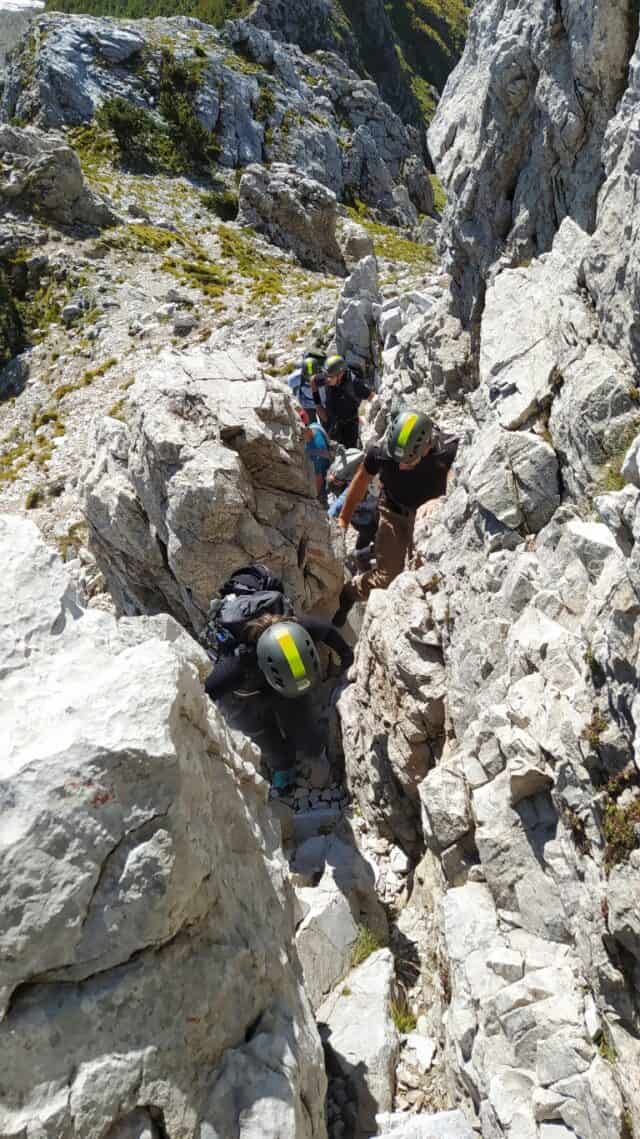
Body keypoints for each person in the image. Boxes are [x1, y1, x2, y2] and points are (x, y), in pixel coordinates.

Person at [332, 409, 459, 626]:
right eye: (397, 460)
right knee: (386, 577)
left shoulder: (448, 452)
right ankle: (348, 594)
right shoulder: (382, 452)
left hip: (428, 520)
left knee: (424, 579)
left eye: (408, 462)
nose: (400, 466)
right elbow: (361, 481)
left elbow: (459, 483)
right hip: (393, 512)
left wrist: (441, 499)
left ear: (427, 446)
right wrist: (343, 519)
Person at [205, 611, 353, 793]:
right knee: (263, 736)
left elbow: (327, 630)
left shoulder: (299, 630)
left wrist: (347, 657)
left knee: (302, 722)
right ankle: (283, 766)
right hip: (245, 695)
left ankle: (312, 752)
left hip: (285, 682)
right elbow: (203, 692)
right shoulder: (234, 669)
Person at [311, 355, 373, 448]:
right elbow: (313, 381)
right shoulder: (329, 376)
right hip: (331, 421)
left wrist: (367, 417)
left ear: (340, 374)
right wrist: (318, 406)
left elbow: (373, 397)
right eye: (326, 376)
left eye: (330, 377)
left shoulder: (355, 384)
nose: (327, 379)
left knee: (350, 453)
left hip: (350, 427)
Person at [299, 408, 332, 499]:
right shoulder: (316, 426)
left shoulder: (313, 452)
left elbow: (319, 479)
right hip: (328, 466)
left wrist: (314, 498)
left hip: (323, 482)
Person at [288, 352, 328, 422]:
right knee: (312, 425)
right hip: (308, 405)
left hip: (321, 404)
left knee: (325, 424)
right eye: (308, 378)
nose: (311, 380)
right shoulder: (295, 378)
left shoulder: (325, 376)